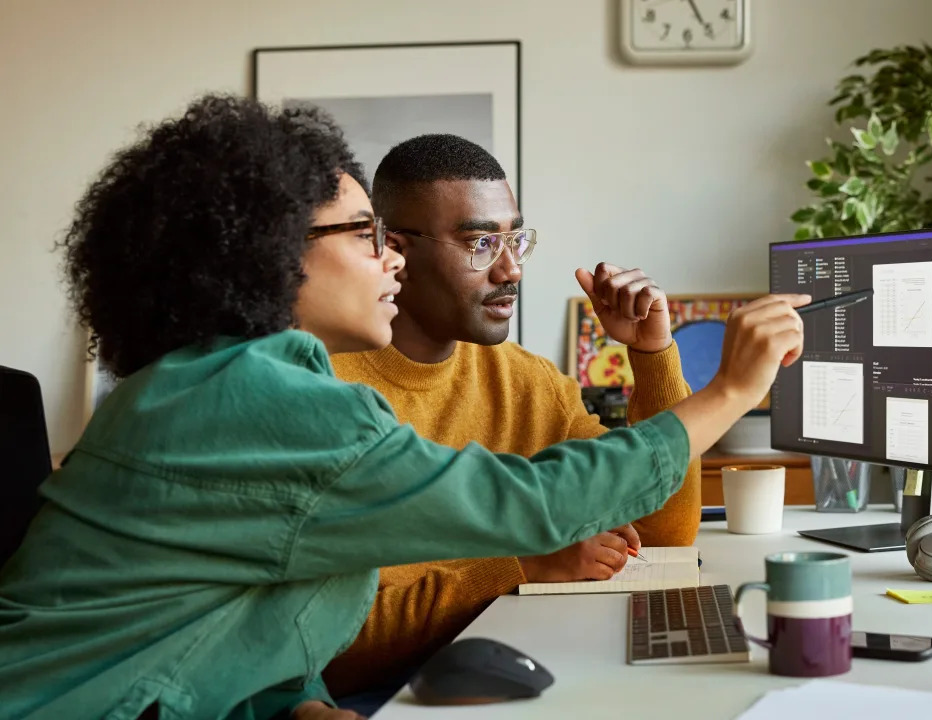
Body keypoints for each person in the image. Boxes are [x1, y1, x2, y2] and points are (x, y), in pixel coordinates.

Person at [0, 96, 806, 720]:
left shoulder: (214, 384)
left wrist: (299, 707)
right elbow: (532, 505)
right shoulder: (255, 398)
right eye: (363, 234)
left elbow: (222, 624)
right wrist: (729, 391)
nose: (389, 256)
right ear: (270, 250)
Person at [325, 134, 699, 697]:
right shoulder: (321, 391)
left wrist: (652, 358)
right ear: (395, 251)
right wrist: (524, 566)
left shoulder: (527, 381)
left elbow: (662, 530)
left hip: (514, 660)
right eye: (480, 243)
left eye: (515, 241)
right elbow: (330, 645)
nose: (511, 271)